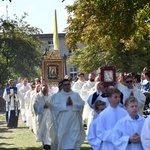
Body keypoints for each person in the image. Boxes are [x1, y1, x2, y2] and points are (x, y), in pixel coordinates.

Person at [52, 79, 85, 150]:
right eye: (65, 85)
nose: (67, 86)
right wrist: (65, 104)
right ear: (62, 86)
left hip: (74, 120)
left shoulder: (75, 95)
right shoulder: (58, 96)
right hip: (63, 121)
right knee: (63, 135)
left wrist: (73, 103)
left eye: (68, 84)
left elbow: (81, 104)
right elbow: (54, 106)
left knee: (75, 136)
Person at [33, 84, 56, 150]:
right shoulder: (38, 96)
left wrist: (50, 106)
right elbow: (35, 106)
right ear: (41, 90)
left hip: (50, 115)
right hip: (42, 116)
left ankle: (48, 143)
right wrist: (43, 107)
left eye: (46, 90)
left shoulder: (51, 96)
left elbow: (54, 104)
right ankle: (45, 143)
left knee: (49, 129)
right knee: (43, 129)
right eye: (44, 90)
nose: (46, 91)